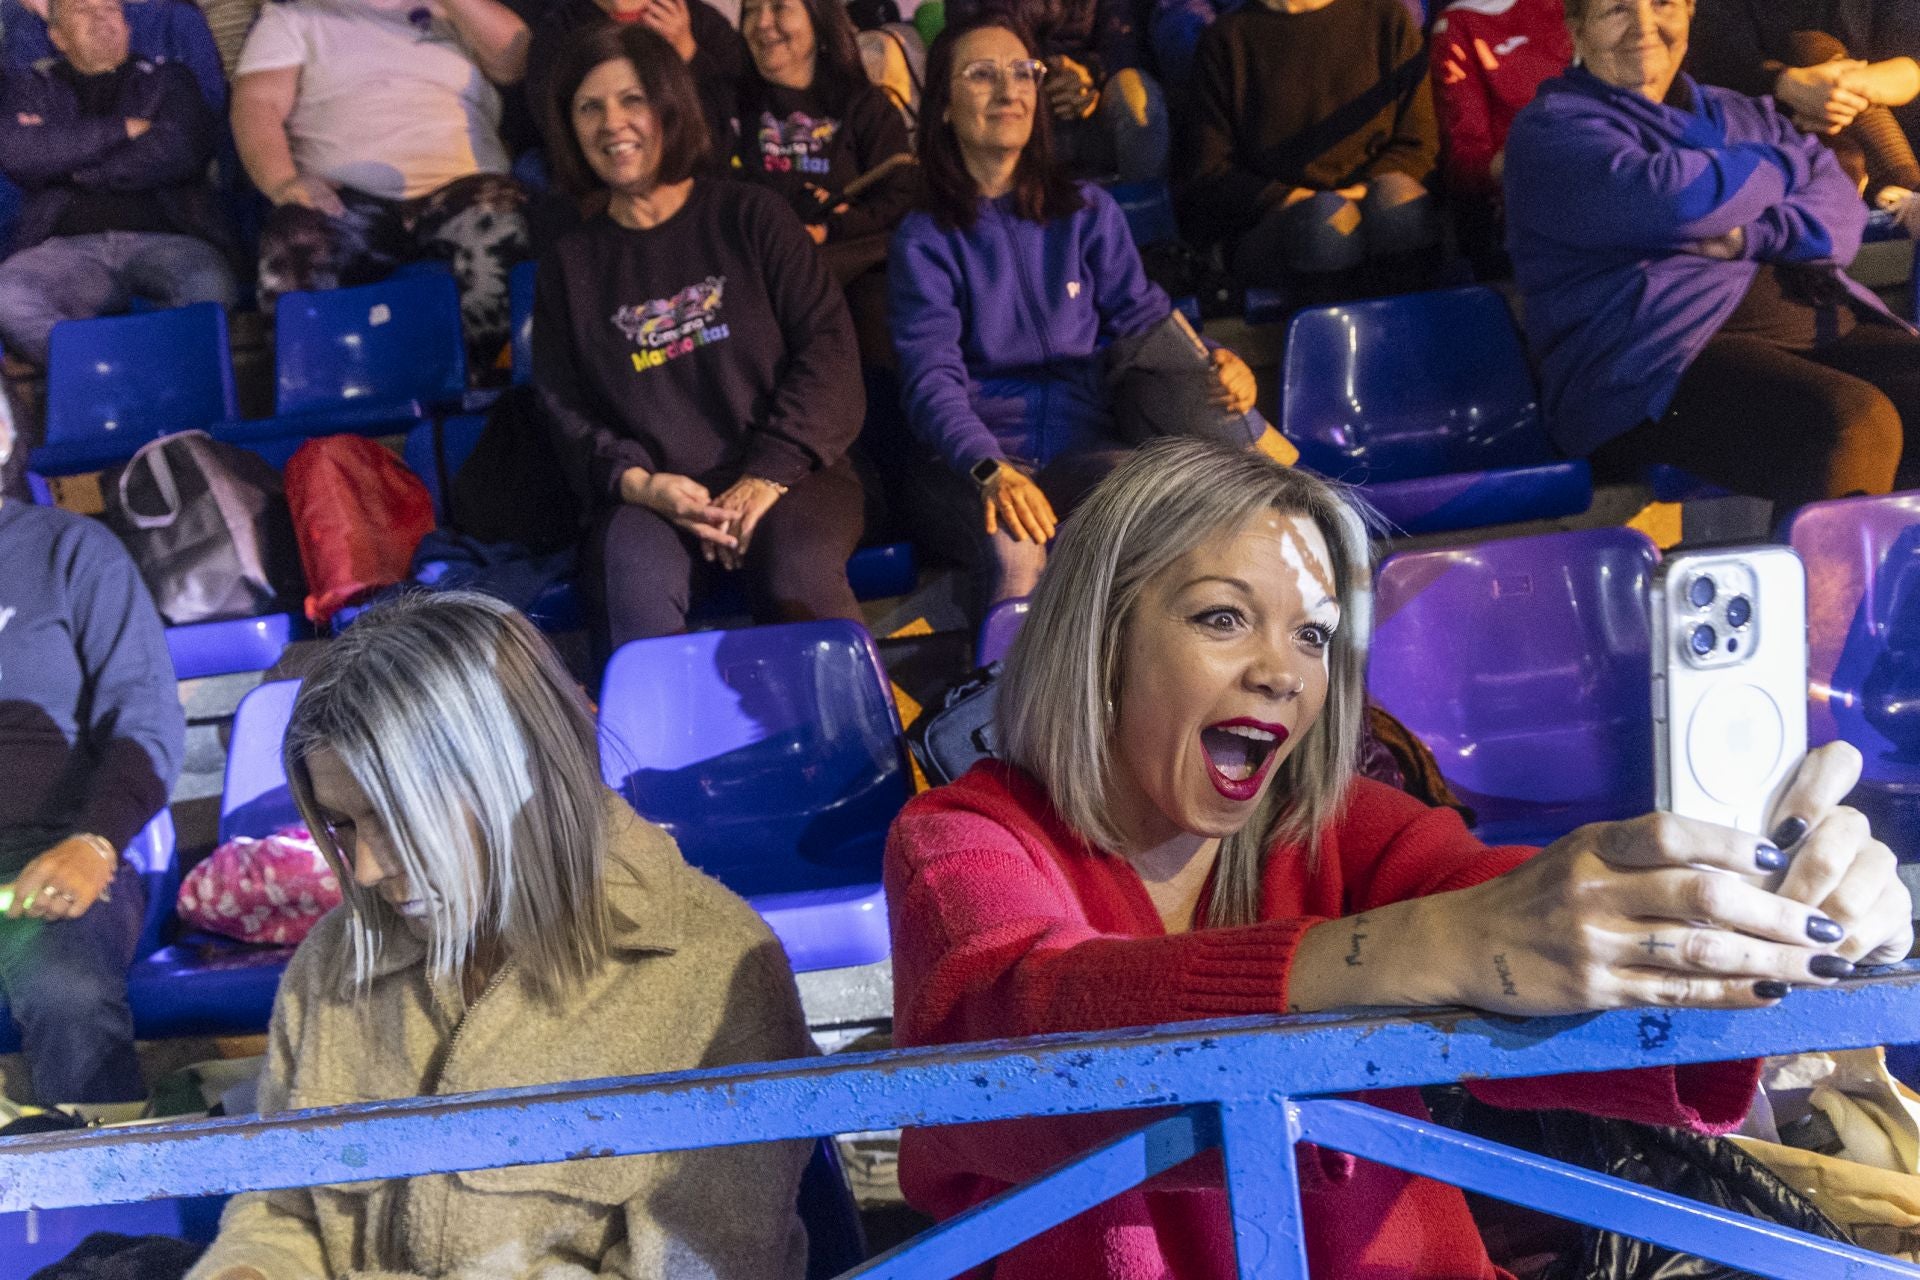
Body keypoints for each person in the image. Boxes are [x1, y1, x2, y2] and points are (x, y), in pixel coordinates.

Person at [884, 438, 1913, 1280]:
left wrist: (1762, 916)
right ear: (1100, 640)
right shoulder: (960, 836)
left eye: (1315, 636)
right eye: (1222, 617)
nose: (1282, 672)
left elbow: (1532, 927)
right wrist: (1426, 945)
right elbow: (1016, 1027)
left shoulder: (1345, 824)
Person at [186, 591, 816, 1280]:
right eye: (343, 824)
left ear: (514, 781)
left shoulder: (710, 970)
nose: (365, 868)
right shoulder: (333, 960)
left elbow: (705, 1269)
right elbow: (281, 1209)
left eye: (398, 818)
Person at [889, 16, 1271, 617]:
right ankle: (1004, 707)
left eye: (1022, 73)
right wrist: (991, 469)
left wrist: (1217, 365)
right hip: (970, 465)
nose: (1008, 90)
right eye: (981, 75)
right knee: (1018, 548)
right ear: (942, 106)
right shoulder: (925, 238)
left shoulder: (1087, 211)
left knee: (1160, 513)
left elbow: (1143, 321)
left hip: (1079, 449)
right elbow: (929, 378)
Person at [1504, 0, 1920, 507]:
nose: (1644, 27)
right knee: (1853, 422)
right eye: (1616, 10)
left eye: (1662, 5)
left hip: (1810, 326)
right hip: (1654, 362)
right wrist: (1791, 163)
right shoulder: (1552, 127)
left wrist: (1754, 236)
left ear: (1689, 12)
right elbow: (1675, 199)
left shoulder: (1737, 110)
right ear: (1577, 29)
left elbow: (1841, 214)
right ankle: (1823, 585)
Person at [534, 25, 869, 654]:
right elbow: (565, 410)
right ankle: (654, 756)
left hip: (793, 476)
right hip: (659, 499)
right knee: (626, 576)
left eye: (631, 100)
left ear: (668, 106)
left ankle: (862, 749)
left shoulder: (752, 216)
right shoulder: (569, 264)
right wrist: (640, 484)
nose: (613, 123)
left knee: (794, 567)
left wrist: (766, 475)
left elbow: (828, 352)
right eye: (589, 107)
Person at [0, 395, 184, 1106]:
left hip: (56, 853)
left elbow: (146, 719)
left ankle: (99, 1207)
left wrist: (96, 841)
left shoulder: (71, 552)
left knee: (65, 990)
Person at [231, 0, 533, 366]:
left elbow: (515, 60)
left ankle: (486, 388)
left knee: (502, 225)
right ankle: (323, 399)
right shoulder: (295, 15)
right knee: (294, 238)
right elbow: (257, 104)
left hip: (466, 186)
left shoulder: (456, 12)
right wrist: (283, 182)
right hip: (346, 195)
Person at [0, 0, 238, 370]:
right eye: (83, 11)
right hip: (64, 248)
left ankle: (130, 378)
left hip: (168, 238)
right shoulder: (31, 87)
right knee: (9, 295)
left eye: (111, 10)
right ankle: (103, 374)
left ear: (128, 27)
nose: (101, 20)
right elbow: (22, 154)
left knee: (210, 287)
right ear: (57, 37)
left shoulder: (169, 79)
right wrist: (123, 130)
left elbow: (179, 151)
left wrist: (72, 169)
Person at [1176, 0, 1440, 292]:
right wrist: (1295, 199)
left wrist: (1359, 193)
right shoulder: (1227, 40)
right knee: (1325, 224)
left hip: (1374, 199)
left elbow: (1418, 144)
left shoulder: (1386, 17)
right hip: (1278, 219)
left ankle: (1414, 330)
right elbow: (1211, 171)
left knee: (1400, 205)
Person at [1687, 0, 1920, 222]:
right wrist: (1785, 83)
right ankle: (1907, 187)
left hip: (1870, 126)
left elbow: (1911, 66)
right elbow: (1714, 60)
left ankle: (1904, 188)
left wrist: (1844, 87)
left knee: (1815, 49)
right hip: (1756, 129)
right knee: (1809, 48)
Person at [946, 0, 1168, 181]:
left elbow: (1124, 43)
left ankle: (1143, 221)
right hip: (1017, 85)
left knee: (1136, 95)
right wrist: (1041, 75)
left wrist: (1089, 73)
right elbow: (975, 40)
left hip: (1089, 93)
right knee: (985, 90)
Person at [1429, 0, 1572, 275]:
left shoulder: (1594, 10)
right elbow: (1464, 163)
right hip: (1523, 210)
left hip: (1614, 179)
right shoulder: (1462, 22)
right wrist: (1529, 161)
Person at [1, 0, 226, 109]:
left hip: (159, 170)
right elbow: (19, 117)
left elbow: (208, 106)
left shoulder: (177, 18)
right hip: (64, 172)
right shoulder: (39, 22)